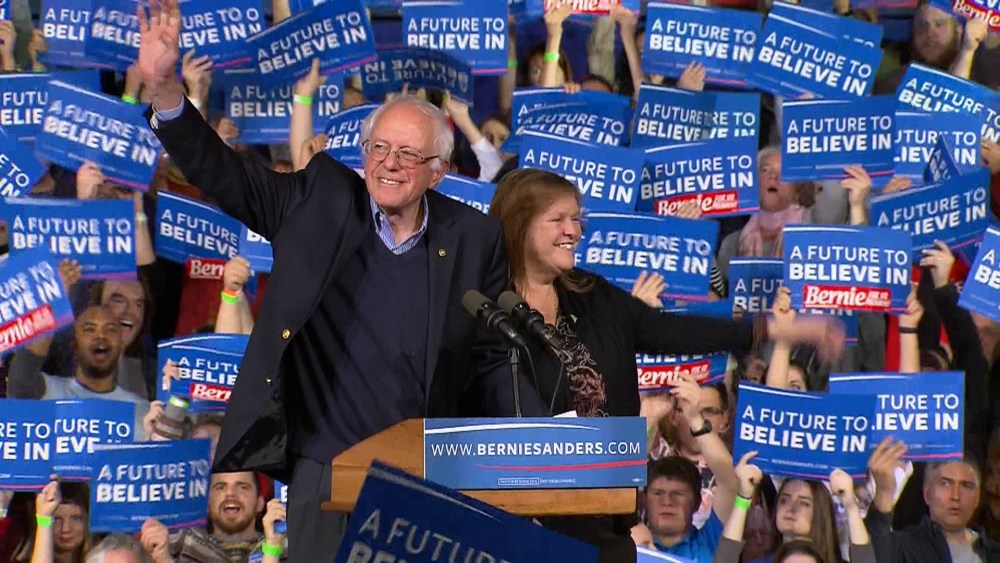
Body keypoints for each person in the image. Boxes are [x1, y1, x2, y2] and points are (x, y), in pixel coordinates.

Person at [135, 1, 510, 558]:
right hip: (324, 468)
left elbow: (494, 361)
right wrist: (165, 89)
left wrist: (520, 458)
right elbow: (225, 174)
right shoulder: (319, 202)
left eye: (408, 153)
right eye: (379, 148)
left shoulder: (474, 238)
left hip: (422, 473)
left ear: (438, 171)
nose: (388, 163)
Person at [484, 169, 845, 559]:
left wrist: (773, 329)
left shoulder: (595, 297)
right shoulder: (485, 313)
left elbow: (674, 330)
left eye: (576, 219)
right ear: (519, 225)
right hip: (523, 523)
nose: (573, 230)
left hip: (607, 515)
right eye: (558, 219)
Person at [7, 302, 150, 438]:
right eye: (89, 329)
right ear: (74, 344)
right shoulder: (48, 392)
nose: (101, 336)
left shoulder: (143, 413)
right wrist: (55, 301)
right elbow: (21, 377)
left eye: (110, 329)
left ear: (121, 345)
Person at [865, 439, 1000, 561]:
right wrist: (884, 494)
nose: (955, 496)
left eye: (966, 485)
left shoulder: (994, 553)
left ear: (977, 497)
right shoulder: (902, 547)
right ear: (927, 494)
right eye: (945, 483)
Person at [139, 472, 282, 563]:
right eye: (220, 487)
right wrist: (162, 558)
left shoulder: (286, 545)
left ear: (260, 503)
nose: (230, 493)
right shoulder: (178, 543)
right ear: (206, 502)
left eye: (242, 486)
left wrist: (272, 547)